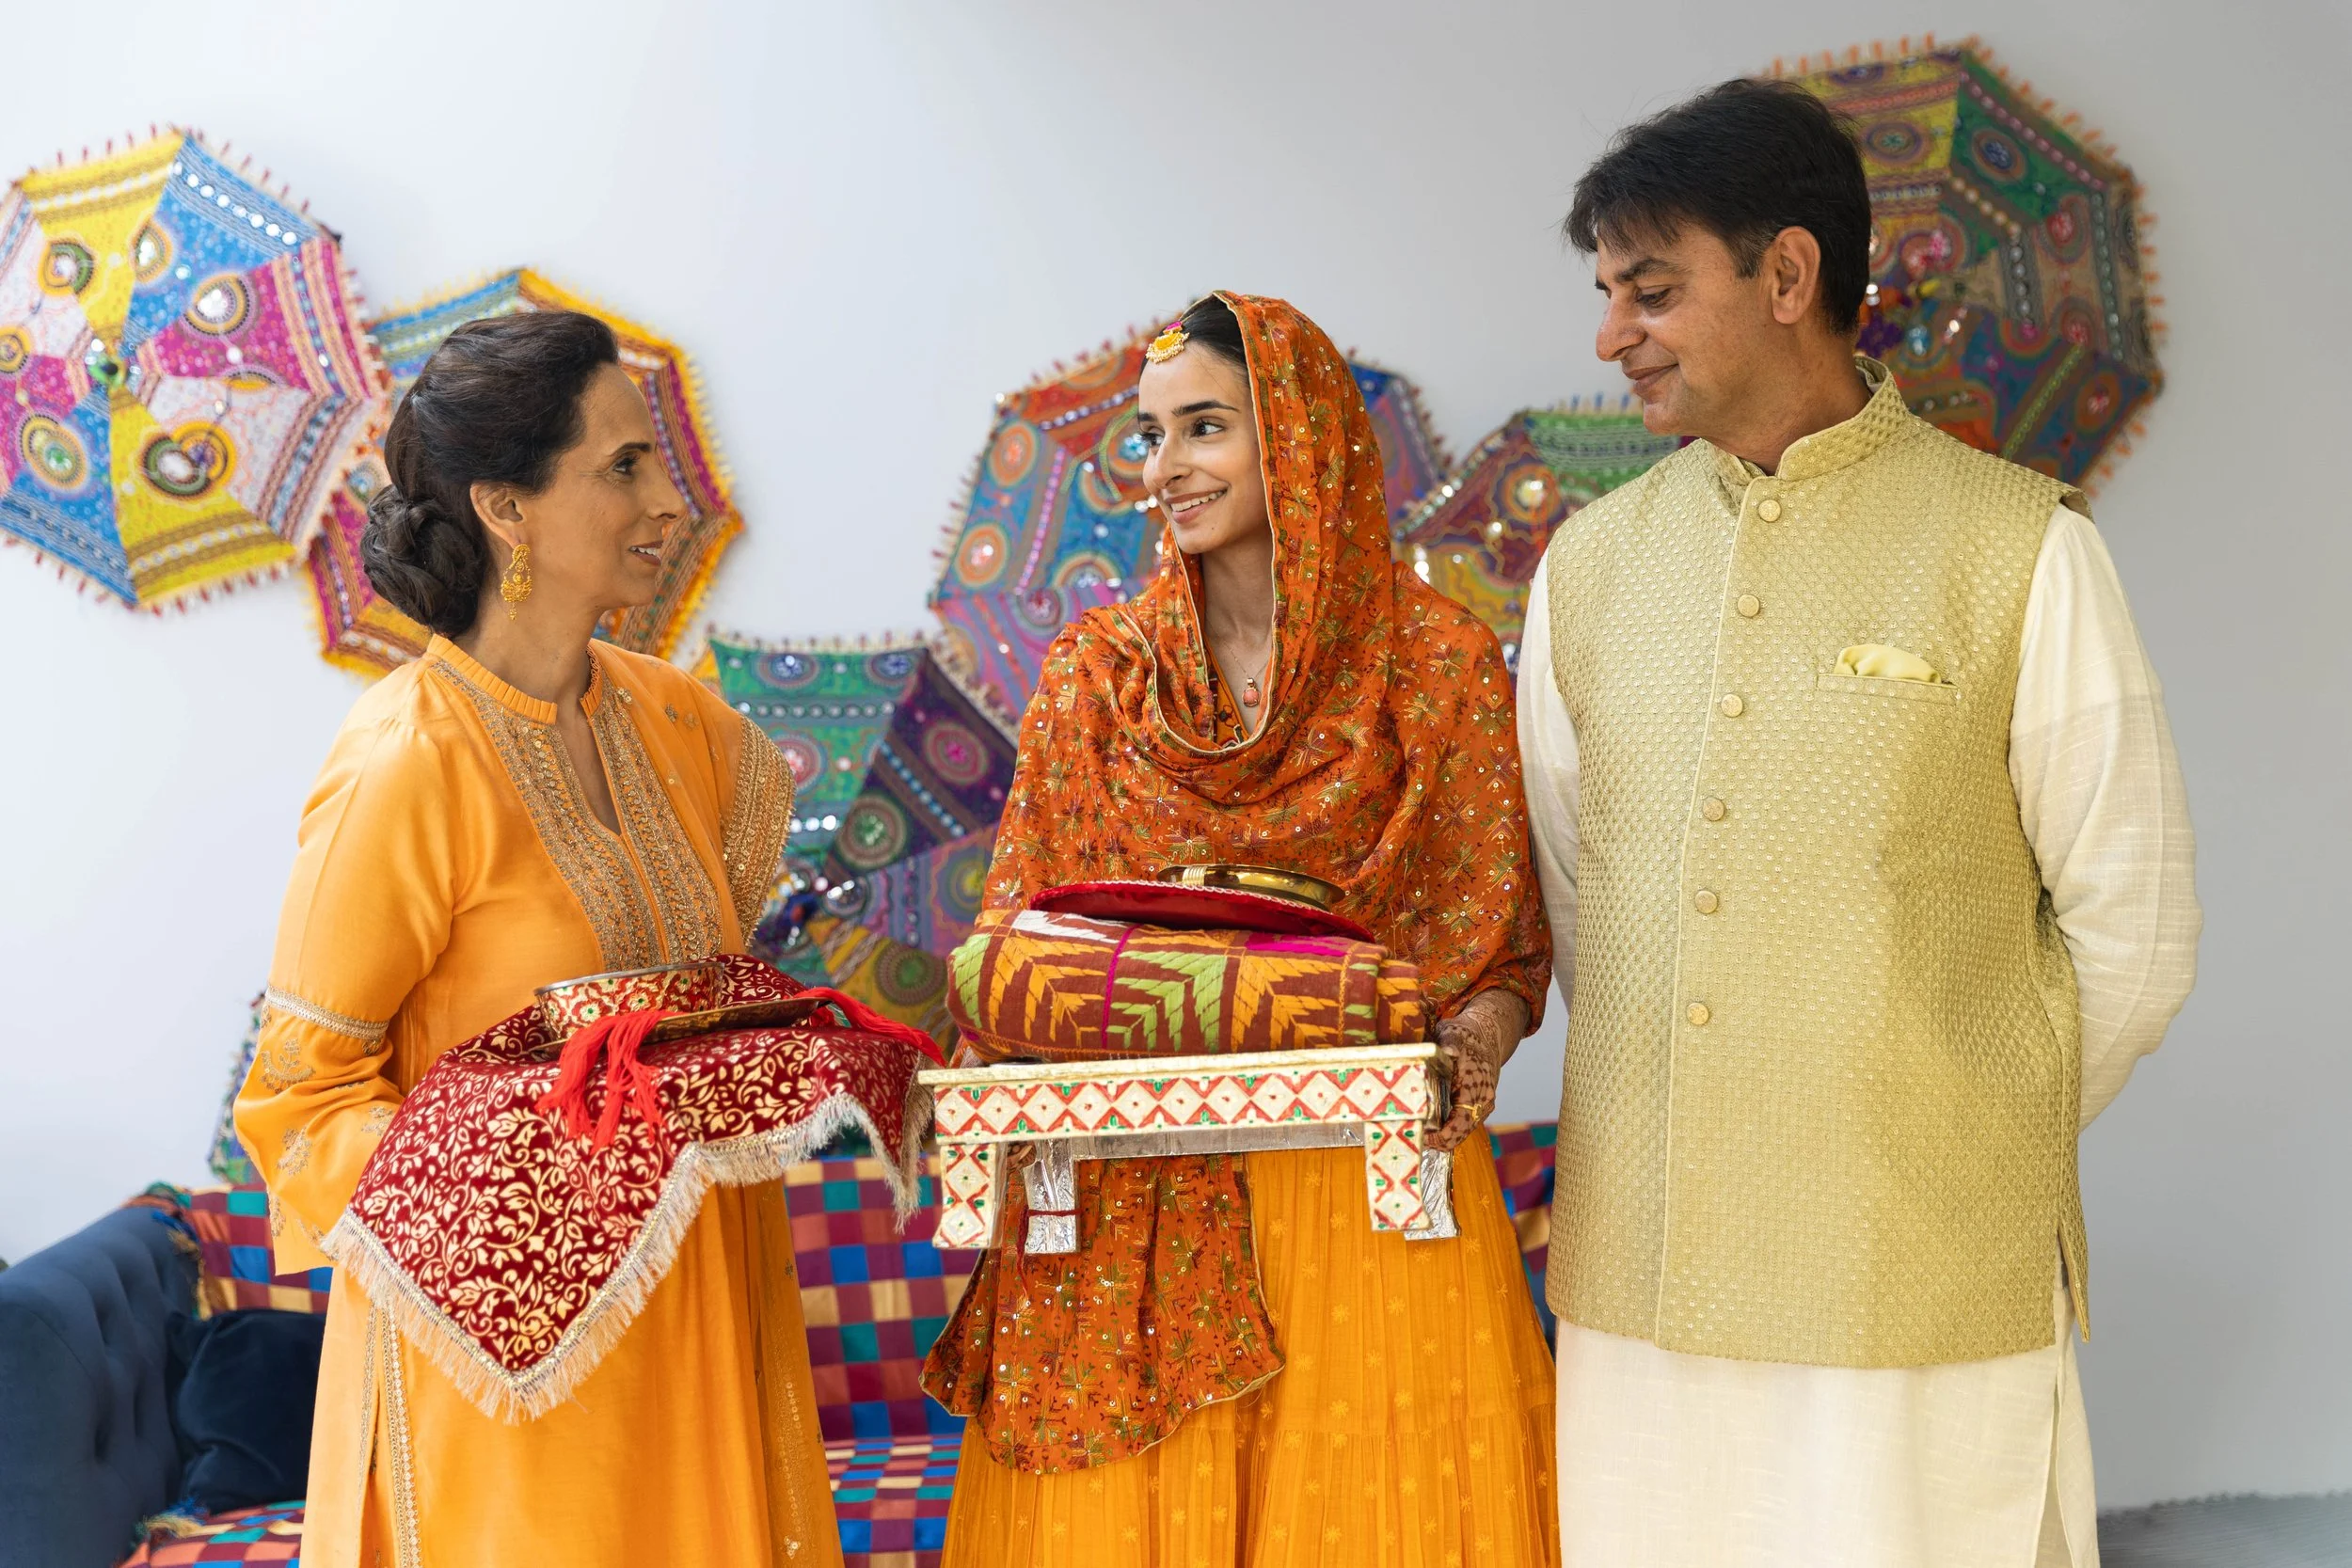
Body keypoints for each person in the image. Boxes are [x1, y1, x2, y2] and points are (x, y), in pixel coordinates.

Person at [1518, 80, 2201, 1568]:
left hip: (1924, 1277)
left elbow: (2134, 929)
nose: (1611, 334)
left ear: (1786, 276)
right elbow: (1588, 904)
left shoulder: (2024, 548)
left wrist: (1946, 1116)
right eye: (1605, 293)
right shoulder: (1588, 575)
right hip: (1651, 1280)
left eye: (1650, 289)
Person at [927, 293, 1560, 1565]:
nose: (1165, 470)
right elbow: (1018, 949)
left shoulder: (1433, 667)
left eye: (1203, 427)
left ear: (1302, 437)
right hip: (1126, 1209)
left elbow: (1498, 950)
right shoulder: (1100, 677)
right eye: (1150, 437)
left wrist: (1473, 1050)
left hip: (1371, 1198)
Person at [233, 312, 837, 1567]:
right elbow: (299, 1094)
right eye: (623, 466)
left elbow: (715, 993)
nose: (666, 499)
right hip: (503, 1368)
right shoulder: (409, 759)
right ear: (508, 508)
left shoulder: (692, 734)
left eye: (657, 459)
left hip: (694, 1318)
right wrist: (510, 1192)